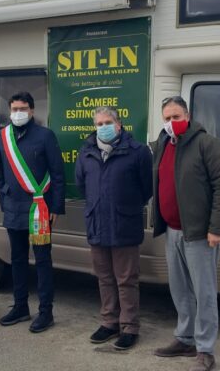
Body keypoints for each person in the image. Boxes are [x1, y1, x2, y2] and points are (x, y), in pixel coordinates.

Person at [152, 96, 220, 371]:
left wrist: (217, 229)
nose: (170, 123)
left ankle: (205, 349)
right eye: (166, 118)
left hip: (200, 234)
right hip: (172, 231)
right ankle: (185, 338)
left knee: (204, 292)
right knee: (180, 290)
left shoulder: (206, 144)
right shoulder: (163, 144)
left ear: (187, 116)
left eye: (175, 117)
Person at [75, 106, 152, 350]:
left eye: (108, 122)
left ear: (118, 125)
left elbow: (146, 189)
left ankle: (129, 327)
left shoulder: (138, 152)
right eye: (99, 123)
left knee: (126, 279)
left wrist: (124, 205)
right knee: (104, 278)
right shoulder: (86, 152)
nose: (103, 127)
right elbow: (81, 185)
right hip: (97, 224)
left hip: (124, 224)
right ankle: (109, 323)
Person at [0, 91, 65, 333]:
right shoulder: (3, 137)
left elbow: (57, 173)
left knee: (43, 260)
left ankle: (46, 312)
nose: (18, 113)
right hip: (13, 208)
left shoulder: (45, 135)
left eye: (23, 108)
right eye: (14, 109)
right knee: (17, 259)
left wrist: (55, 206)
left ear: (32, 111)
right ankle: (20, 306)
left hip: (39, 209)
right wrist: (4, 201)